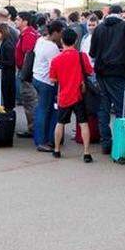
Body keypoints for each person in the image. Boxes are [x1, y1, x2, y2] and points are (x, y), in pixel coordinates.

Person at [89, 4, 125, 154]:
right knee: (122, 109)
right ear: (120, 14)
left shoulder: (99, 28)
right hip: (119, 73)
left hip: (101, 73)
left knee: (103, 108)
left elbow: (92, 52)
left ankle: (106, 144)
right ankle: (121, 143)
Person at [49, 27, 94, 162]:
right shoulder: (82, 56)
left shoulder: (56, 59)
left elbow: (53, 79)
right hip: (79, 95)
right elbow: (90, 71)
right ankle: (86, 152)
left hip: (64, 95)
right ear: (75, 41)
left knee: (60, 123)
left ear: (62, 40)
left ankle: (57, 150)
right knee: (83, 123)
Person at [32, 20, 65, 152]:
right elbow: (57, 67)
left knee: (44, 109)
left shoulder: (40, 40)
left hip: (37, 77)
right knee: (44, 110)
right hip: (47, 82)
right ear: (55, 32)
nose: (61, 36)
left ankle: (45, 138)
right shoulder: (52, 48)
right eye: (61, 33)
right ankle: (41, 141)